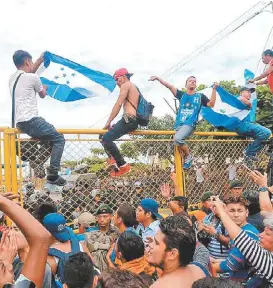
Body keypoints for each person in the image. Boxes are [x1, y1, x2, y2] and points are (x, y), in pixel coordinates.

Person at [9, 50, 66, 186]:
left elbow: (30, 73)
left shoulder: (12, 79)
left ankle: (37, 161)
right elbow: (42, 94)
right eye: (32, 62)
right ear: (28, 62)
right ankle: (53, 174)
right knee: (59, 138)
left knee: (49, 139)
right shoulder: (33, 78)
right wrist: (44, 88)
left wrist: (40, 60)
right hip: (31, 119)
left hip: (19, 122)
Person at [149, 76, 217, 169]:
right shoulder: (182, 95)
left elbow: (211, 104)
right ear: (186, 84)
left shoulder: (200, 96)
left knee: (178, 139)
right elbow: (169, 86)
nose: (192, 82)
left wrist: (214, 90)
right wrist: (157, 78)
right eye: (190, 81)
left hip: (190, 123)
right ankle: (181, 164)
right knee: (174, 146)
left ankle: (189, 156)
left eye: (194, 81)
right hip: (178, 125)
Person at [0, 193, 51, 287]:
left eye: (16, 229)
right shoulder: (14, 261)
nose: (10, 233)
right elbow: (41, 239)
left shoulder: (44, 268)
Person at [148, 215, 209, 288]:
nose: (150, 245)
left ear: (172, 254)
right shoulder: (199, 270)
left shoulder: (159, 286)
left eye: (156, 243)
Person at [101, 68, 140, 177]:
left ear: (123, 77)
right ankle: (113, 159)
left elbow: (118, 104)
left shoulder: (126, 85)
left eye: (117, 79)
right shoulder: (133, 86)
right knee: (103, 135)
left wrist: (108, 122)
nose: (117, 83)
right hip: (130, 120)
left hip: (128, 120)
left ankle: (123, 165)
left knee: (106, 138)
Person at [212, 196, 259, 282]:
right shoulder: (236, 231)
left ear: (247, 212)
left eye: (240, 211)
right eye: (232, 211)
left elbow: (232, 265)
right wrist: (213, 260)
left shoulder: (249, 233)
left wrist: (205, 266)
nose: (236, 215)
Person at [231, 87, 271, 163]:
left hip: (243, 126)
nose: (249, 93)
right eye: (247, 91)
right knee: (266, 132)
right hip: (242, 125)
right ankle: (249, 153)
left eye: (250, 92)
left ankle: (248, 158)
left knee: (263, 137)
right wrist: (249, 104)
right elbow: (240, 99)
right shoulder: (238, 98)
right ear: (241, 93)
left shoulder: (243, 102)